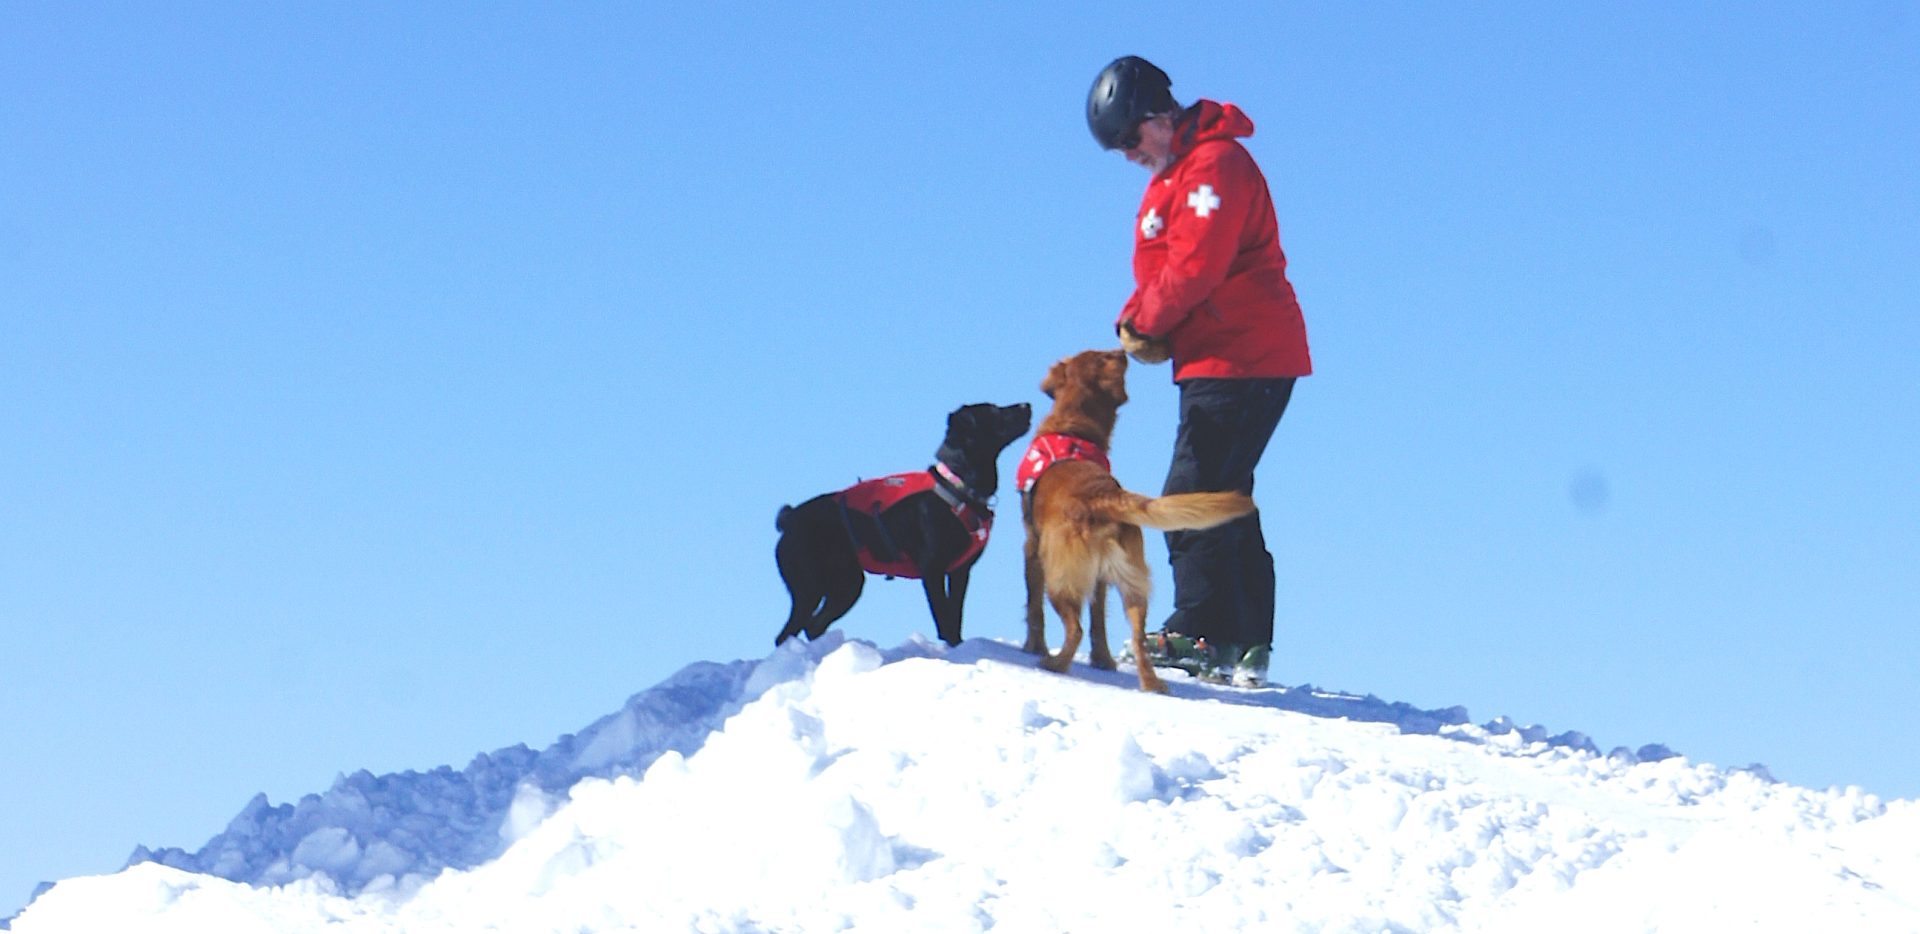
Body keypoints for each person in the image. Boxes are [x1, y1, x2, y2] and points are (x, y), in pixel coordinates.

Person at [1086, 55, 1312, 687]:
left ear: (1158, 115)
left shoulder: (1216, 165)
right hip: (1216, 356)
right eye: (1117, 148)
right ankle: (1242, 640)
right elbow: (1162, 268)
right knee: (1222, 491)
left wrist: (1150, 323)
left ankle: (1199, 630)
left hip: (1245, 354)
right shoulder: (1173, 177)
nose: (1128, 154)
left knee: (1190, 491)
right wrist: (1137, 321)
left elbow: (1197, 262)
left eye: (1130, 138)